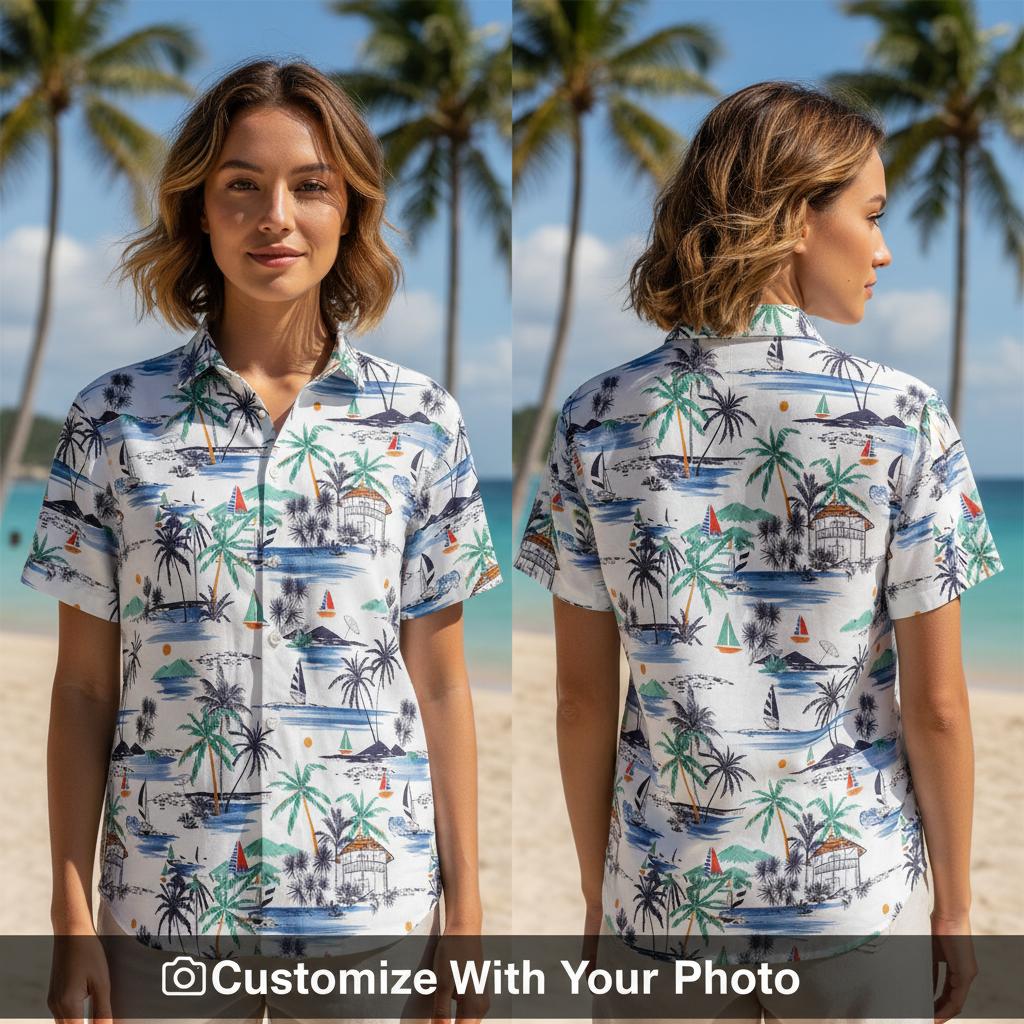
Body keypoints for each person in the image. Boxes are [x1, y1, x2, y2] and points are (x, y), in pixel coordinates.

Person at [22, 58, 501, 1023]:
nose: (275, 216)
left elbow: (442, 684)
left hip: (371, 913)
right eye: (242, 185)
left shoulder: (422, 420)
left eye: (310, 186)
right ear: (199, 211)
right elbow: (83, 690)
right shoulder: (112, 417)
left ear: (349, 211)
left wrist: (469, 909)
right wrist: (71, 916)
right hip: (161, 910)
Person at [513, 81, 1002, 1024]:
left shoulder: (594, 417)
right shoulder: (902, 418)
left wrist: (597, 893)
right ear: (795, 218)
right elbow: (938, 707)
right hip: (853, 900)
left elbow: (579, 700)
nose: (884, 249)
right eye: (870, 215)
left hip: (661, 901)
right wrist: (956, 906)